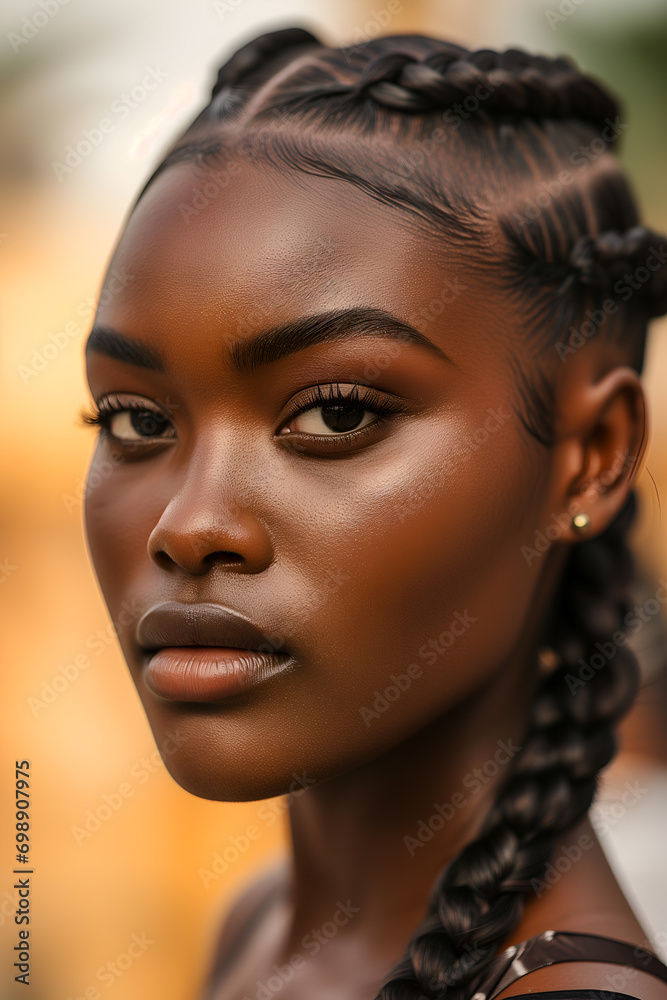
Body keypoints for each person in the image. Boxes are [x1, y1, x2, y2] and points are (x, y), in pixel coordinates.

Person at [79, 25, 667, 1000]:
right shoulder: (259, 929)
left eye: (336, 412)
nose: (187, 524)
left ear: (591, 458)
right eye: (137, 418)